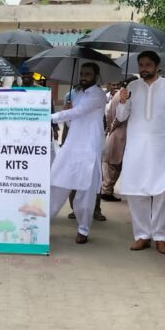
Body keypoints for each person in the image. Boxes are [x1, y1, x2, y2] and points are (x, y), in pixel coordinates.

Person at [116, 50, 165, 254]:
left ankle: (161, 236)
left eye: (148, 65)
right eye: (141, 65)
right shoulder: (131, 87)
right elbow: (121, 117)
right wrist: (122, 101)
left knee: (163, 193)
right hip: (137, 149)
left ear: (157, 66)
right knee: (136, 192)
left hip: (162, 149)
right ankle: (142, 235)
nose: (144, 69)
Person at [50, 63, 107, 243]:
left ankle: (83, 229)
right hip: (72, 143)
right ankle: (41, 222)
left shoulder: (98, 94)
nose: (83, 77)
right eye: (81, 74)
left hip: (89, 147)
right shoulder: (77, 94)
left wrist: (51, 117)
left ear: (96, 76)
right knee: (56, 181)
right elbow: (72, 121)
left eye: (88, 74)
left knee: (85, 190)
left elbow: (80, 112)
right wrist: (67, 112)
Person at [100, 78, 133, 202]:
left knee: (111, 164)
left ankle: (106, 190)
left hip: (114, 133)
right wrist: (112, 128)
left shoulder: (118, 95)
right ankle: (106, 191)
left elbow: (108, 114)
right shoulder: (124, 96)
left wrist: (110, 129)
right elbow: (120, 117)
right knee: (114, 165)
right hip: (120, 134)